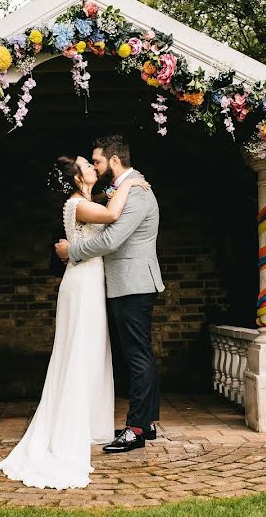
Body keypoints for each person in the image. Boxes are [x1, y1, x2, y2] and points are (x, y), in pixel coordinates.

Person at [0, 154, 149, 490]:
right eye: (87, 166)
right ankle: (69, 428)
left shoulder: (85, 200)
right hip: (81, 285)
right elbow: (111, 215)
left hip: (91, 282)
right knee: (80, 350)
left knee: (91, 351)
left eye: (92, 164)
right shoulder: (76, 204)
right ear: (77, 178)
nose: (93, 169)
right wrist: (130, 183)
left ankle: (88, 424)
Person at [55, 135, 165, 454]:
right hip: (126, 282)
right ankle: (146, 422)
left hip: (133, 283)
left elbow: (111, 241)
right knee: (137, 352)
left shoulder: (137, 192)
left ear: (114, 161)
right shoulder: (124, 189)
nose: (97, 167)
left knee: (136, 355)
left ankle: (135, 429)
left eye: (99, 161)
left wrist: (72, 251)